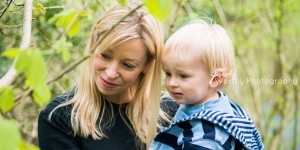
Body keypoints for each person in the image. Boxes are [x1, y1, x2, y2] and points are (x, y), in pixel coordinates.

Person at [38, 4, 178, 150]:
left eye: (127, 65)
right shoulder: (59, 118)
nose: (111, 73)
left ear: (147, 65)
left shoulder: (175, 114)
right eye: (105, 55)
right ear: (93, 44)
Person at [150, 19, 264, 150]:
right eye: (168, 73)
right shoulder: (209, 103)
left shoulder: (206, 136)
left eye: (183, 76)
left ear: (215, 79)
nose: (171, 83)